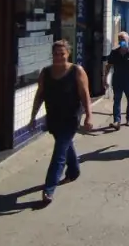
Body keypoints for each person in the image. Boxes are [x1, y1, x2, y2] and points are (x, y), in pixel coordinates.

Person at [29, 40, 93, 203]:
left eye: (62, 54)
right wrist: (33, 117)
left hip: (71, 117)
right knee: (64, 144)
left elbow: (85, 94)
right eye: (55, 54)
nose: (58, 57)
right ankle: (74, 171)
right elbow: (39, 95)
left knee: (59, 152)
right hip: (53, 116)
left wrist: (88, 115)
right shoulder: (46, 72)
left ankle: (49, 189)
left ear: (68, 54)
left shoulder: (76, 71)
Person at [104, 31, 129, 129]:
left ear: (128, 40)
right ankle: (117, 120)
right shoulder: (114, 52)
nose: (121, 41)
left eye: (123, 39)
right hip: (117, 80)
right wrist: (105, 78)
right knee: (117, 100)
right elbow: (108, 66)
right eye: (120, 40)